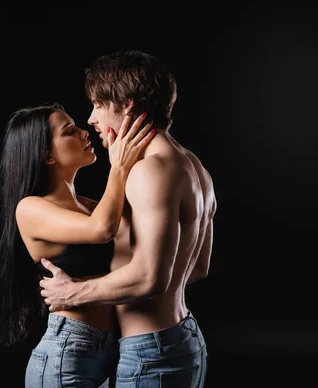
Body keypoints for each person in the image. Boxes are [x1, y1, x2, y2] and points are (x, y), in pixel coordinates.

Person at [39, 49, 217, 387]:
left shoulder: (150, 172)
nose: (91, 119)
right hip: (177, 339)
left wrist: (71, 294)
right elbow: (198, 266)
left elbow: (150, 277)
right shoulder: (193, 165)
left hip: (151, 352)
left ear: (128, 104)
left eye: (98, 105)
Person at [0, 102, 154, 388]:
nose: (83, 132)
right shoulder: (31, 208)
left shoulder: (92, 206)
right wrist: (120, 166)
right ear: (47, 155)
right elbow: (102, 230)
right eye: (69, 131)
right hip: (68, 351)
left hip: (110, 351)